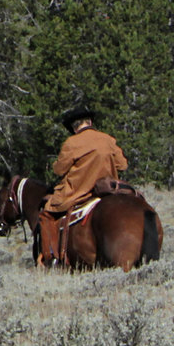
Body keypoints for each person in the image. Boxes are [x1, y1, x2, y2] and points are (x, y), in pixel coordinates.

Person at [37, 106, 129, 267]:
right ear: (90, 122)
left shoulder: (72, 142)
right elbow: (123, 165)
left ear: (74, 127)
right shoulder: (108, 139)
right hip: (108, 189)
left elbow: (59, 169)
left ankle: (51, 258)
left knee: (47, 214)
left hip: (79, 191)